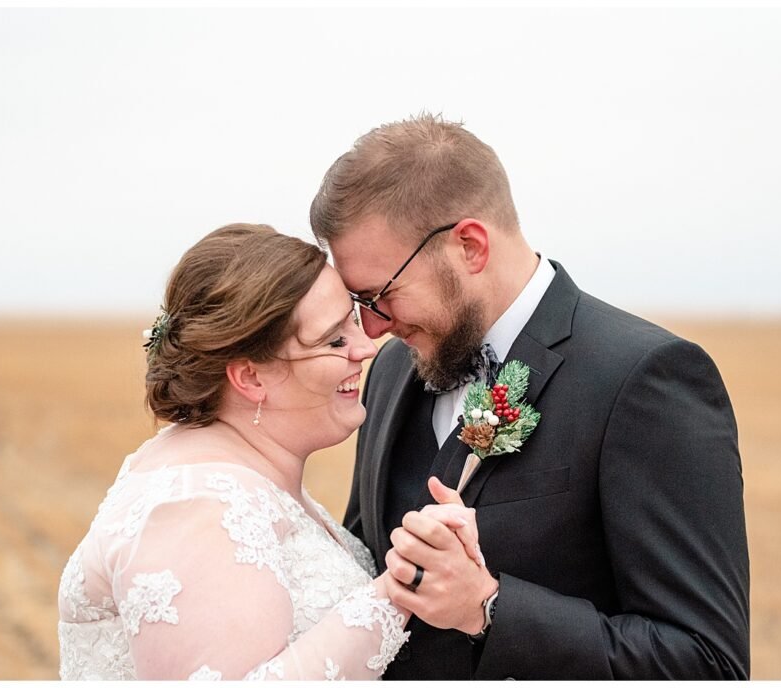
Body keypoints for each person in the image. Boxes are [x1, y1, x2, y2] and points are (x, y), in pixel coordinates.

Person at [309, 114, 751, 680]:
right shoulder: (396, 367)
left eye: (382, 294)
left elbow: (706, 663)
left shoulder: (648, 379)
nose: (371, 331)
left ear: (469, 245)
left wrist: (489, 608)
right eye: (358, 302)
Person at [56, 223, 480, 680]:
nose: (365, 349)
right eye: (334, 340)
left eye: (353, 321)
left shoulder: (234, 470)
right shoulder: (195, 505)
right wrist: (402, 585)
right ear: (251, 378)